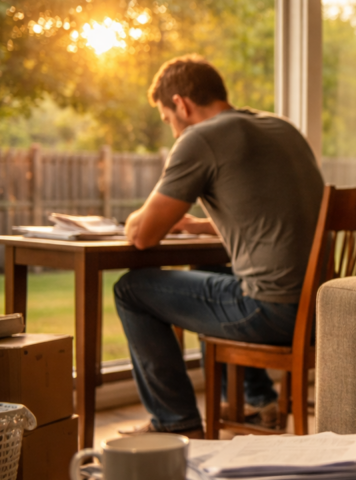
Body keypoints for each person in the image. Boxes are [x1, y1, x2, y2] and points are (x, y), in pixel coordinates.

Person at [115, 55, 323, 439]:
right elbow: (275, 216)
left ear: (181, 104)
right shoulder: (280, 127)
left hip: (273, 312)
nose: (172, 130)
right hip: (321, 310)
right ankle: (257, 400)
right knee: (209, 271)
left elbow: (143, 234)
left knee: (131, 289)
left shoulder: (201, 138)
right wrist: (199, 225)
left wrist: (132, 218)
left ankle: (174, 421)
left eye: (167, 119)